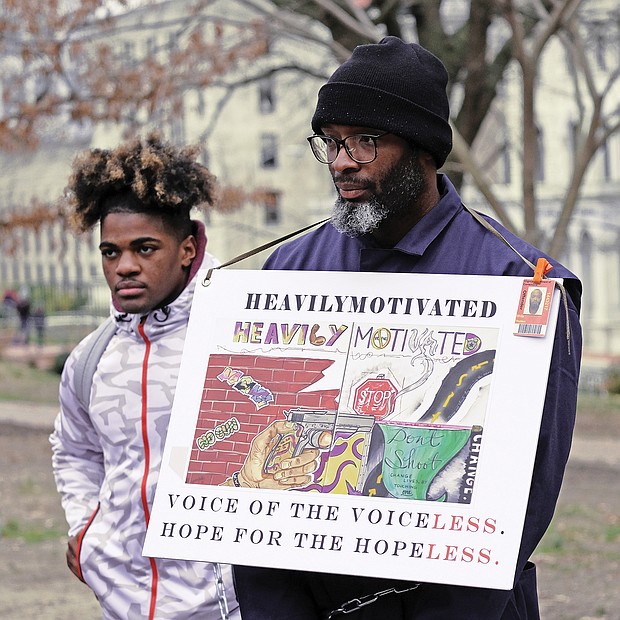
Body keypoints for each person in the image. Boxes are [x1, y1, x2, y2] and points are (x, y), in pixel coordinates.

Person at [233, 37, 582, 619]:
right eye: (333, 142)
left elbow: (522, 501)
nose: (342, 161)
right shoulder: (288, 271)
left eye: (366, 141)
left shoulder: (518, 284)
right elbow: (250, 492)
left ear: (423, 150)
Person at [50, 134, 240, 619]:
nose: (125, 267)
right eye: (110, 252)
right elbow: (74, 449)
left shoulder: (239, 338)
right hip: (123, 603)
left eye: (145, 247)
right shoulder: (91, 358)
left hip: (226, 607)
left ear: (187, 248)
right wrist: (84, 527)